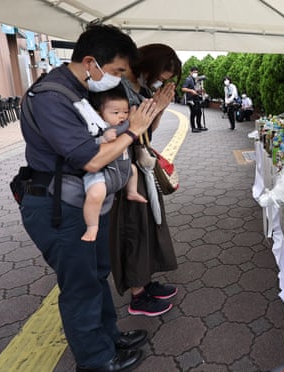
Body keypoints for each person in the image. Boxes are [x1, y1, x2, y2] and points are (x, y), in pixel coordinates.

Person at [19, 24, 161, 372]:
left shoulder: (77, 90)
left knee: (97, 274)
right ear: (89, 62)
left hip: (82, 204)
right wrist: (133, 131)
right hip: (60, 208)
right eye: (114, 72)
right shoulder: (51, 96)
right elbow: (92, 158)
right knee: (80, 287)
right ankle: (96, 361)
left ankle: (108, 338)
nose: (116, 80)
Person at [110, 43, 180, 317]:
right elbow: (116, 131)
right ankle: (137, 295)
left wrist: (160, 107)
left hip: (142, 163)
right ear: (148, 65)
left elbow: (149, 129)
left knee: (150, 223)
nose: (162, 81)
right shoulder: (117, 89)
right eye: (161, 74)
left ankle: (146, 282)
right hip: (126, 168)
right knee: (134, 226)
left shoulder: (143, 89)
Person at [81, 86, 147, 242]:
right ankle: (92, 226)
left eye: (125, 112)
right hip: (102, 173)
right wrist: (102, 139)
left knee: (133, 169)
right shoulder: (98, 128)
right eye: (115, 113)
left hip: (122, 169)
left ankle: (131, 192)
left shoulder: (125, 126)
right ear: (100, 115)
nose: (122, 117)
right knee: (95, 193)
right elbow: (88, 145)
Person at [181, 66, 207, 133]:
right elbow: (183, 88)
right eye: (194, 72)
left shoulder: (195, 80)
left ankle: (199, 126)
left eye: (197, 72)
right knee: (193, 113)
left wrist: (200, 91)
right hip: (190, 99)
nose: (196, 73)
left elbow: (196, 89)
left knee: (199, 113)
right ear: (191, 72)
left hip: (196, 98)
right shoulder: (188, 79)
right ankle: (193, 128)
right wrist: (191, 91)